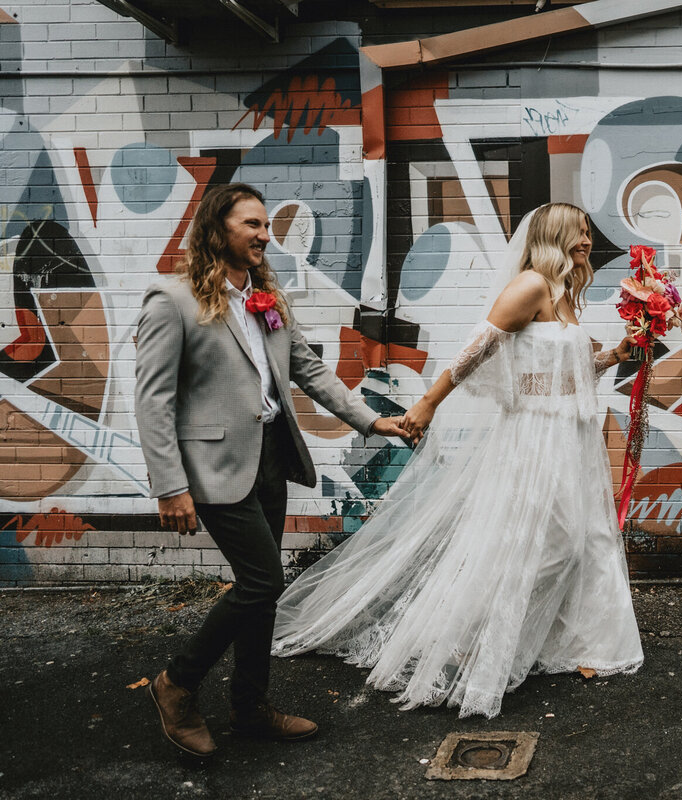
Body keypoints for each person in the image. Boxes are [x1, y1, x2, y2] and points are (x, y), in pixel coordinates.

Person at [271, 203, 650, 719]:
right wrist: (428, 401)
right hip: (535, 439)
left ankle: (549, 643)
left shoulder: (563, 295)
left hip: (570, 438)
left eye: (587, 233)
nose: (587, 241)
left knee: (579, 540)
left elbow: (560, 372)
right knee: (537, 543)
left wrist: (613, 355)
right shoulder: (531, 287)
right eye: (579, 233)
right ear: (552, 236)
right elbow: (477, 349)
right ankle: (466, 641)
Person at [134, 182, 408, 757]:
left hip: (269, 457)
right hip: (210, 466)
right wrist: (170, 486)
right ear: (218, 230)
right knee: (262, 581)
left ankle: (250, 708)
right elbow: (152, 399)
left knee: (261, 594)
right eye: (252, 225)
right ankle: (177, 683)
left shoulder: (267, 297)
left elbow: (308, 368)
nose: (264, 235)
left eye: (265, 226)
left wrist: (369, 420)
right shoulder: (172, 299)